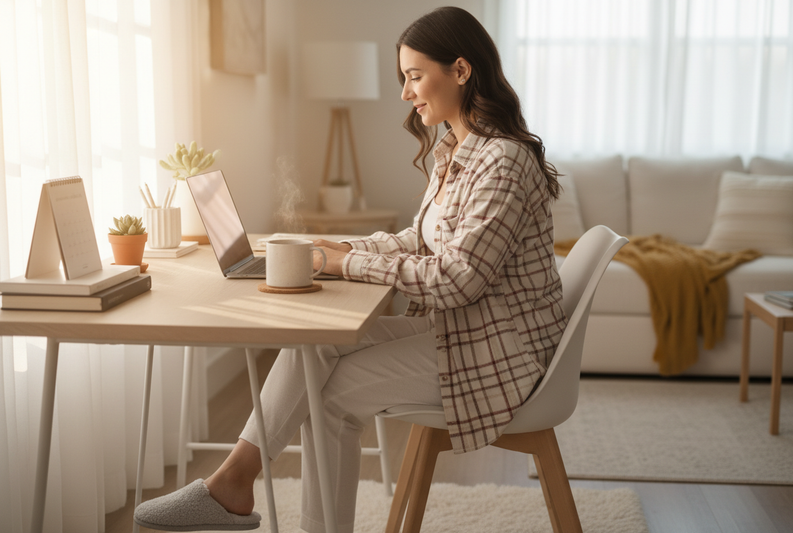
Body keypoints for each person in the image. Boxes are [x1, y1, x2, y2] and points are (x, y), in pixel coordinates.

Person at [134, 6, 567, 533]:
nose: (405, 93)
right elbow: (420, 239)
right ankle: (232, 484)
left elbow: (456, 279)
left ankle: (233, 489)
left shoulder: (502, 160)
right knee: (312, 345)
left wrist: (347, 263)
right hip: (467, 332)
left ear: (460, 69)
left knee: (330, 400)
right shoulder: (458, 151)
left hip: (498, 352)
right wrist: (337, 246)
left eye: (414, 76)